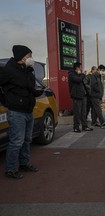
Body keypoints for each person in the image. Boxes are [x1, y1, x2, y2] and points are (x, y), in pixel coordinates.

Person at [0, 45, 42, 179]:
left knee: (27, 140)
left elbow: (28, 88)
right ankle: (10, 169)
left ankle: (24, 163)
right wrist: (5, 100)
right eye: (28, 56)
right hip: (16, 112)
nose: (30, 58)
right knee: (16, 141)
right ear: (20, 56)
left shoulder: (27, 70)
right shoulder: (9, 70)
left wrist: (37, 92)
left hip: (28, 110)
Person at [68, 62, 93, 132]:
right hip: (76, 96)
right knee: (77, 113)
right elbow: (78, 80)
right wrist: (82, 74)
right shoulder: (71, 74)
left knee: (83, 112)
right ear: (77, 68)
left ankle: (84, 126)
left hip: (83, 96)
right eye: (80, 67)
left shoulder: (79, 75)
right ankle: (76, 127)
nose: (81, 69)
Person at [84, 65, 105, 129]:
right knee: (98, 109)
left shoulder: (99, 76)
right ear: (99, 69)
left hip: (98, 95)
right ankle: (102, 122)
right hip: (95, 95)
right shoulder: (94, 75)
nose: (103, 72)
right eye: (102, 70)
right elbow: (94, 85)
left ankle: (94, 122)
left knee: (95, 109)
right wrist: (98, 91)